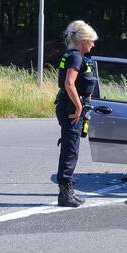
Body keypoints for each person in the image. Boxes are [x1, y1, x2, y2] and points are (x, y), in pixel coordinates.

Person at [55, 20, 99, 208]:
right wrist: (79, 106)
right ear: (82, 41)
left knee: (70, 147)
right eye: (91, 41)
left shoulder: (72, 56)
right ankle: (65, 193)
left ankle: (67, 191)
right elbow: (69, 83)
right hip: (71, 107)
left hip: (68, 105)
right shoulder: (76, 57)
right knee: (70, 150)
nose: (93, 44)